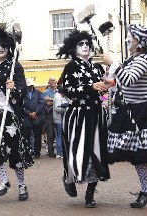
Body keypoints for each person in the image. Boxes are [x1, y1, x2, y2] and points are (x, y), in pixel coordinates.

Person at [101, 24, 147, 208]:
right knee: (138, 155)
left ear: (139, 41)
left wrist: (113, 64)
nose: (128, 40)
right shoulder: (133, 59)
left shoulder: (143, 60)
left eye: (130, 37)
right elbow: (124, 81)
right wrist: (111, 81)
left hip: (143, 113)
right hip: (131, 111)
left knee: (139, 154)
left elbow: (128, 79)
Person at [56, 30, 110, 208]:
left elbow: (103, 90)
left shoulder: (97, 67)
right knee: (76, 151)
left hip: (96, 114)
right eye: (81, 44)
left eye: (87, 43)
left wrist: (104, 88)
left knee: (97, 152)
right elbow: (67, 90)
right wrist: (90, 86)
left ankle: (90, 194)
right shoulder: (71, 67)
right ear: (74, 48)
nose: (85, 46)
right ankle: (69, 178)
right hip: (78, 115)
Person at [0, 28, 33, 201]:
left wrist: (15, 88)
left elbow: (22, 91)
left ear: (9, 47)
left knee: (14, 150)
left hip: (9, 113)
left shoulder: (14, 66)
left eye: (4, 45)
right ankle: (4, 181)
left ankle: (21, 185)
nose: (0, 48)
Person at [23, 77, 45, 159]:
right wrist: (29, 113)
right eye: (28, 86)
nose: (30, 87)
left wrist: (36, 112)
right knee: (26, 137)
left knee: (37, 137)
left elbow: (42, 103)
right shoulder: (23, 93)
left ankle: (37, 153)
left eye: (31, 85)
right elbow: (21, 106)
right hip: (27, 118)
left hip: (37, 117)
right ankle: (28, 152)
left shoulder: (38, 93)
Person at [53, 87, 69, 158]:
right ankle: (60, 152)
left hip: (60, 119)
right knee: (60, 136)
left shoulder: (60, 97)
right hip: (59, 119)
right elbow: (57, 108)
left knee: (60, 135)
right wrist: (66, 109)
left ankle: (60, 152)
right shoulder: (58, 97)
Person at [43, 77, 58, 157]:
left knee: (59, 133)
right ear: (49, 82)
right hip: (49, 114)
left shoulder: (58, 91)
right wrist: (56, 100)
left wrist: (51, 99)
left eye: (55, 80)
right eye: (52, 81)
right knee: (50, 133)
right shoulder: (46, 92)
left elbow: (61, 101)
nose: (54, 82)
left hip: (58, 114)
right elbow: (48, 103)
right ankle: (51, 152)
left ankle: (59, 151)